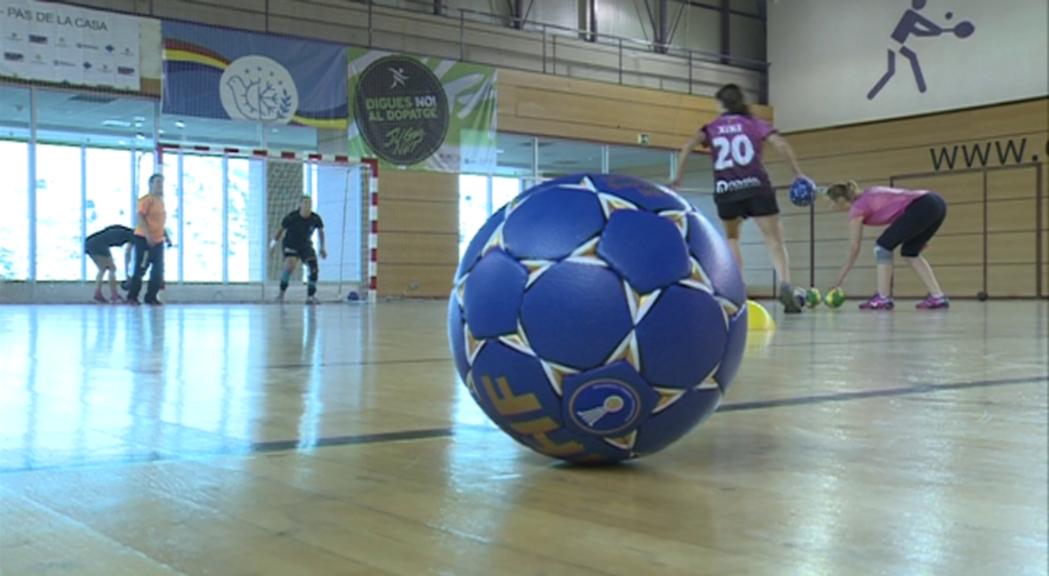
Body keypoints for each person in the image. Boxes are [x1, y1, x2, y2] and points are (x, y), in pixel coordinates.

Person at [671, 83, 810, 313]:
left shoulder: (711, 127)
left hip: (727, 191)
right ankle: (785, 284)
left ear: (721, 104)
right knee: (775, 240)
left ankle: (738, 291)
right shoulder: (754, 123)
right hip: (756, 187)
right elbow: (781, 144)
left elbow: (686, 147)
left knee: (733, 239)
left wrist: (678, 178)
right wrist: (798, 173)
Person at [825, 180, 949, 310]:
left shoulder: (856, 209)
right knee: (910, 252)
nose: (829, 207)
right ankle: (938, 297)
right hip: (936, 203)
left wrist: (837, 282)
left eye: (830, 202)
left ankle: (883, 298)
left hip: (922, 206)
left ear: (840, 200)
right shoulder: (867, 194)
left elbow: (854, 249)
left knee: (882, 247)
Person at [271, 195, 327, 304]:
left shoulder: (315, 218)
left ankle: (310, 296)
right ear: (300, 204)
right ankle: (281, 294)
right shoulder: (292, 217)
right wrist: (272, 244)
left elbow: (321, 232)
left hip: (305, 245)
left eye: (309, 203)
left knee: (313, 267)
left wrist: (322, 248)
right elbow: (280, 230)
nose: (307, 205)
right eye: (305, 203)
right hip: (291, 244)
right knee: (290, 266)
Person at [127, 174, 168, 306]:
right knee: (141, 268)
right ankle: (132, 296)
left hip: (158, 240)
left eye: (161, 183)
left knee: (158, 270)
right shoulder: (146, 200)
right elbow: (140, 217)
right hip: (143, 239)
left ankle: (151, 296)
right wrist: (147, 234)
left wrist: (166, 236)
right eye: (157, 183)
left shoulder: (160, 201)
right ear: (150, 184)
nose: (160, 186)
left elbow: (159, 221)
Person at [85, 224, 134, 303]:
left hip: (89, 242)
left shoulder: (125, 230)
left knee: (102, 269)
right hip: (99, 244)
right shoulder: (133, 236)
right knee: (112, 268)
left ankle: (98, 294)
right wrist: (127, 272)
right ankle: (114, 295)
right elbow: (127, 254)